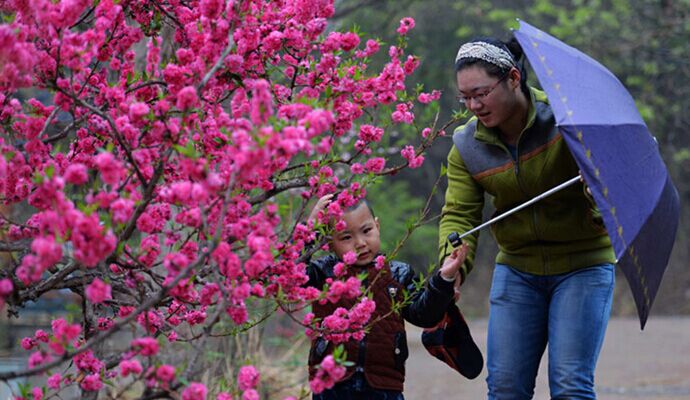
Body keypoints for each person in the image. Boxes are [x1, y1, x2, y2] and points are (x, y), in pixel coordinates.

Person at [438, 37, 617, 400]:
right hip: (518, 270)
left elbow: (609, 210)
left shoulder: (568, 121)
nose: (473, 105)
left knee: (569, 385)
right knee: (505, 388)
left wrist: (596, 188)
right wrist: (452, 264)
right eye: (464, 97)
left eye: (481, 93)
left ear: (513, 78)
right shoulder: (467, 146)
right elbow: (459, 213)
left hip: (582, 266)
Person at [306, 194, 469, 400]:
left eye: (366, 231)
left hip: (385, 384)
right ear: (329, 243)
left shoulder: (399, 274)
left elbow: (423, 314)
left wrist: (444, 279)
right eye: (346, 237)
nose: (360, 243)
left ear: (377, 226)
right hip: (332, 384)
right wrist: (308, 229)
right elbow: (293, 274)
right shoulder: (323, 273)